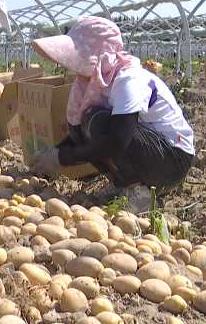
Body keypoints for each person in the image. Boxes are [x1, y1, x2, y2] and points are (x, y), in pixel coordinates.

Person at [27, 16, 196, 212]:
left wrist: (63, 158)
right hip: (151, 154)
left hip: (172, 162)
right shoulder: (98, 81)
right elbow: (86, 135)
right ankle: (124, 185)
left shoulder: (128, 79)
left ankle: (139, 195)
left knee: (95, 120)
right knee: (80, 124)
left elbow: (118, 139)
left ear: (96, 56)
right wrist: (53, 153)